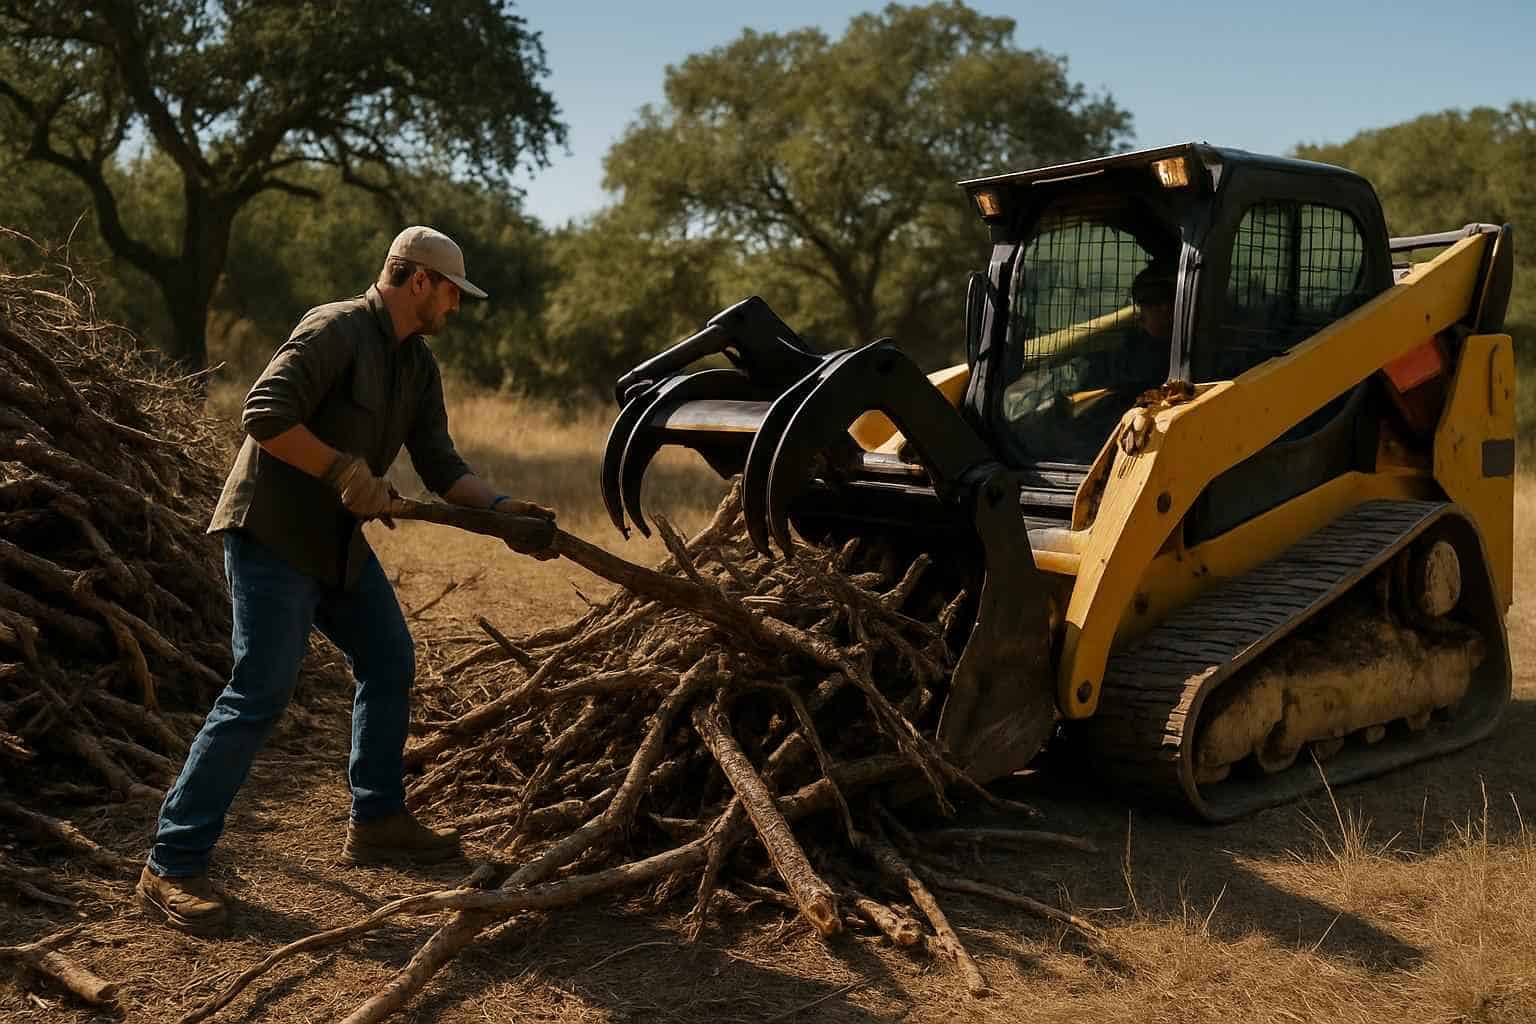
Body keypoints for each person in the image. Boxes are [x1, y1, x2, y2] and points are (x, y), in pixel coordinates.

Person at [136, 226, 555, 935]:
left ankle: (377, 818)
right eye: (453, 291)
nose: (456, 307)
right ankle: (171, 865)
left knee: (390, 658)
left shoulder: (418, 365)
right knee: (260, 691)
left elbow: (442, 465)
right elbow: (263, 415)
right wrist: (342, 470)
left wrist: (504, 511)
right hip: (271, 534)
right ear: (419, 280)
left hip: (336, 546)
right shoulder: (334, 328)